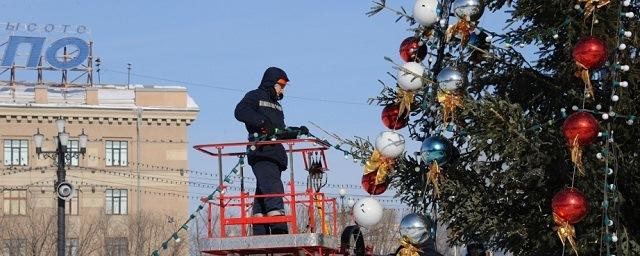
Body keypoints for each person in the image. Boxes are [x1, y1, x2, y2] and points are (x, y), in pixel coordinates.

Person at [234, 67, 290, 235]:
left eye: (285, 85)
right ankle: (278, 226)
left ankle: (259, 226)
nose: (282, 88)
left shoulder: (277, 106)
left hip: (275, 152)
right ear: (271, 83)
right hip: (262, 150)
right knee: (272, 186)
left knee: (263, 188)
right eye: (281, 84)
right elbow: (240, 111)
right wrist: (261, 122)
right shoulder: (255, 96)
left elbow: (279, 129)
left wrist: (293, 132)